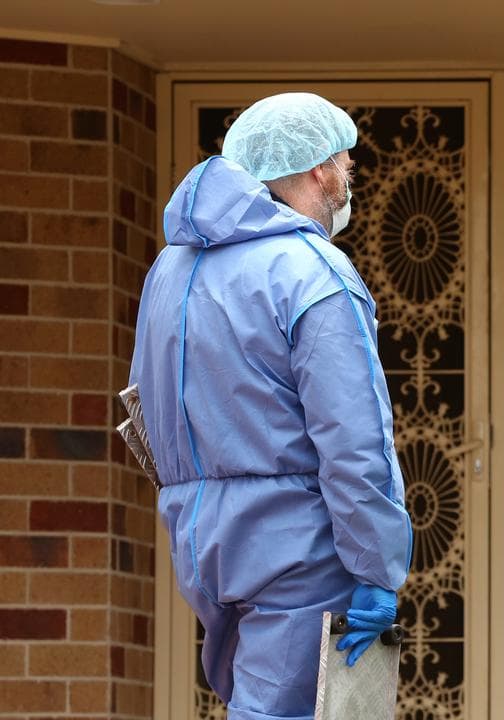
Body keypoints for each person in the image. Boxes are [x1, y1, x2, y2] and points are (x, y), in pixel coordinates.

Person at [130, 92, 412, 720]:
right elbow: (354, 438)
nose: (348, 182)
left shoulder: (168, 274)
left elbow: (146, 416)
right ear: (319, 169)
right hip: (298, 554)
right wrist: (377, 566)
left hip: (206, 549)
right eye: (347, 166)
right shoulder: (313, 272)